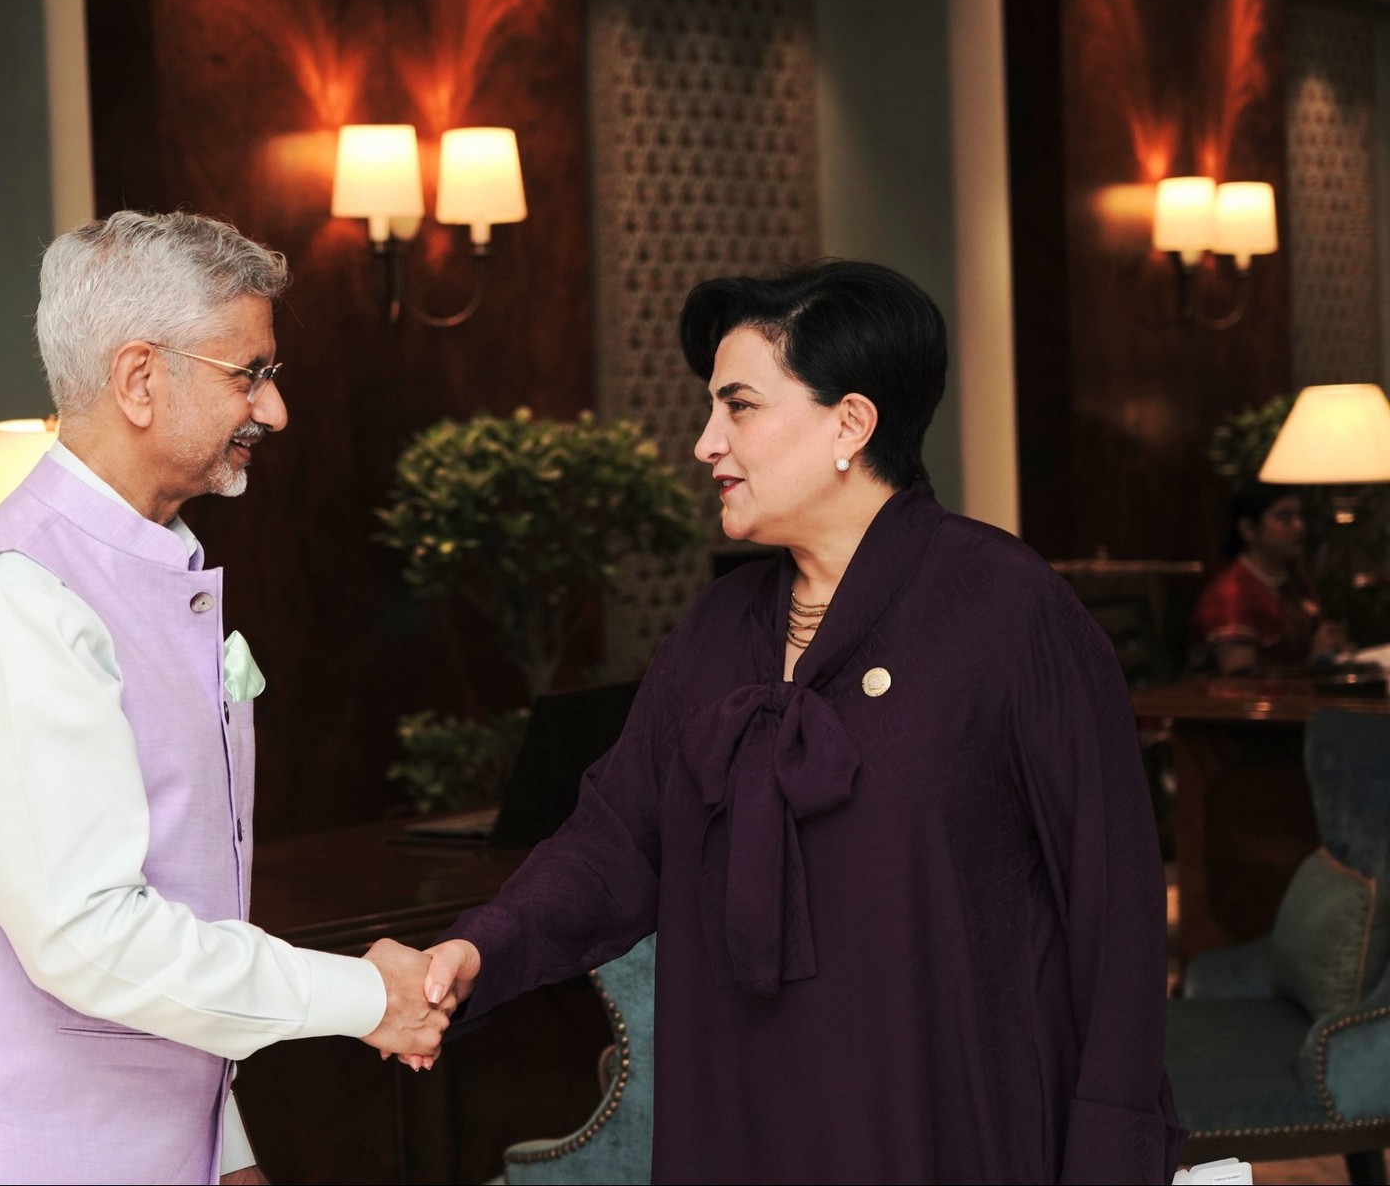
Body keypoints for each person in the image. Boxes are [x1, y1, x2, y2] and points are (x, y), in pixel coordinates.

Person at [411, 261, 1182, 1182]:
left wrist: (1112, 1151)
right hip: (739, 1114)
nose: (705, 443)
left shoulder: (1008, 613)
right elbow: (615, 843)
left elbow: (1115, 907)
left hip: (945, 1122)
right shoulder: (718, 629)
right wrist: (476, 950)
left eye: (739, 407)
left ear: (850, 425)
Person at [0, 211, 450, 1186]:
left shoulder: (149, 567)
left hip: (135, 1140)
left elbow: (177, 901)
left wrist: (222, 1141)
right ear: (140, 380)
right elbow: (89, 936)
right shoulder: (12, 596)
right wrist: (366, 995)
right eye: (250, 373)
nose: (273, 411)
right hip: (2, 1146)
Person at [1190, 479, 1345, 674]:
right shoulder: (1232, 593)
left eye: (1299, 516)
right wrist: (1318, 661)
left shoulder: (1294, 579)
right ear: (1249, 529)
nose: (1299, 526)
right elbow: (1240, 680)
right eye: (1285, 518)